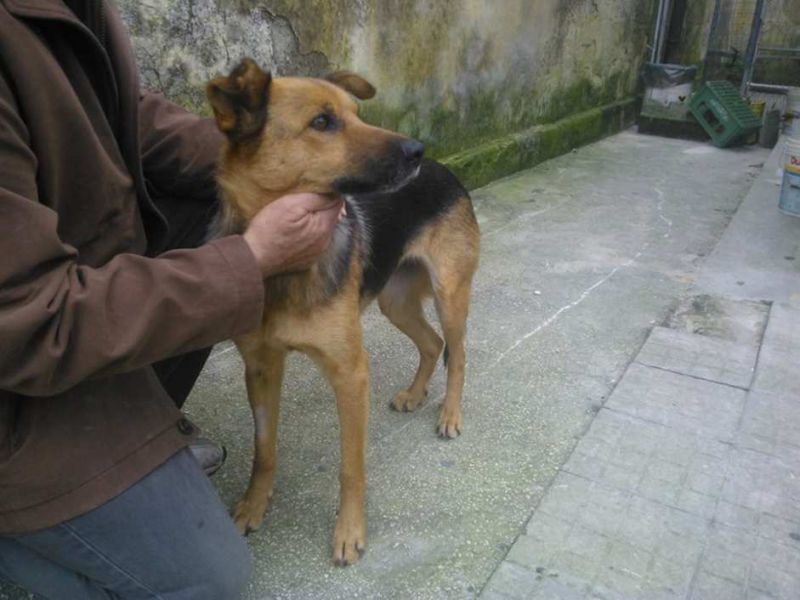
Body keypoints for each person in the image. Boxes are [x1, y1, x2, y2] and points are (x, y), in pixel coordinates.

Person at [0, 0, 343, 597]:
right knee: (213, 581)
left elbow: (130, 117)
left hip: (72, 328)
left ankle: (138, 437)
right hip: (22, 371)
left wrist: (267, 156)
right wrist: (251, 259)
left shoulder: (67, 8)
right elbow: (33, 322)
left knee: (219, 199)